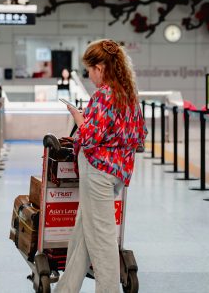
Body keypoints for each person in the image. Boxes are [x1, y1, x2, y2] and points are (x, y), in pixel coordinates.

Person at [55, 39, 146, 293]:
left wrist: (79, 118)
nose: (90, 76)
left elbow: (91, 138)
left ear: (101, 67)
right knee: (82, 235)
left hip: (97, 172)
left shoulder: (104, 95)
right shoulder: (128, 93)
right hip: (117, 172)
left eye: (91, 70)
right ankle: (66, 289)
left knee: (102, 240)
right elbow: (140, 135)